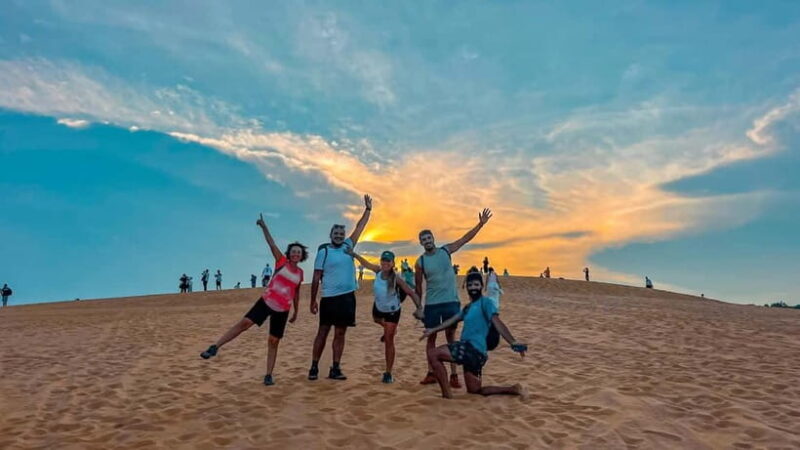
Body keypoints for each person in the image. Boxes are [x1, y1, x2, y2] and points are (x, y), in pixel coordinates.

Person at [200, 214, 307, 386]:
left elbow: (296, 292)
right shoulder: (281, 261)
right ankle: (215, 346)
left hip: (283, 309)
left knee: (274, 341)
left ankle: (268, 374)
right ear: (289, 253)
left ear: (302, 256)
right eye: (293, 251)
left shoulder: (300, 274)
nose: (295, 254)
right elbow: (271, 243)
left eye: (298, 252)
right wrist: (264, 226)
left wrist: (296, 310)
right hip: (266, 302)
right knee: (244, 323)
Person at [416, 208, 493, 388]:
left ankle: (453, 375)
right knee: (431, 338)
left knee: (451, 336)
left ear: (433, 239)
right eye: (423, 239)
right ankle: (431, 372)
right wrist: (419, 306)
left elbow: (464, 239)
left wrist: (480, 225)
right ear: (420, 243)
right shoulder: (420, 262)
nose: (427, 241)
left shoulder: (446, 251)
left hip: (451, 302)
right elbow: (418, 286)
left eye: (429, 238)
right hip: (432, 305)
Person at [422, 271, 527, 399]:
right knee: (475, 390)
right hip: (477, 355)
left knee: (433, 354)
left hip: (471, 349)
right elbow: (452, 320)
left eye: (476, 285)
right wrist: (432, 330)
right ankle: (512, 389)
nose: (473, 288)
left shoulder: (486, 303)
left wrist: (513, 342)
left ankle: (447, 395)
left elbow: (497, 322)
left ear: (481, 286)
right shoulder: (468, 308)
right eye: (470, 285)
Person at [308, 194, 373, 381]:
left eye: (341, 234)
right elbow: (316, 277)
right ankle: (314, 366)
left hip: (347, 297)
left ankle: (335, 368)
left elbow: (360, 227)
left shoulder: (348, 245)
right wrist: (313, 300)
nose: (339, 236)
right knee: (323, 331)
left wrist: (368, 210)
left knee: (341, 332)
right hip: (329, 298)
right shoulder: (324, 251)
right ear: (331, 235)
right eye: (336, 234)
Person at [348, 249, 423, 383]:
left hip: (392, 311)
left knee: (389, 340)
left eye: (388, 261)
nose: (385, 263)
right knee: (376, 320)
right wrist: (354, 254)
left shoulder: (396, 279)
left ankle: (388, 373)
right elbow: (365, 263)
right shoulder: (377, 271)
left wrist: (419, 308)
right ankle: (389, 328)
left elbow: (411, 293)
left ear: (393, 263)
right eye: (383, 260)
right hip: (378, 308)